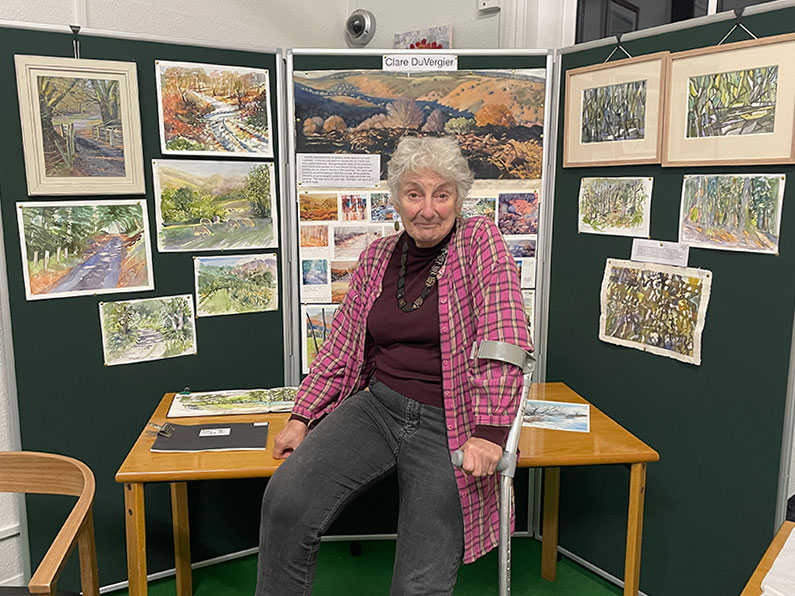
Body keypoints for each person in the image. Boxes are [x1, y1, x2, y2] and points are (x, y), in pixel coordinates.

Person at [256, 136, 533, 596]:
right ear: (397, 200)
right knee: (286, 502)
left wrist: (490, 433)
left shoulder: (479, 241)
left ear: (458, 198)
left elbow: (504, 338)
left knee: (418, 583)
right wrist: (303, 415)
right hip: (379, 407)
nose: (428, 209)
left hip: (452, 419)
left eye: (441, 194)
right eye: (414, 194)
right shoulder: (378, 256)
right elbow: (342, 346)